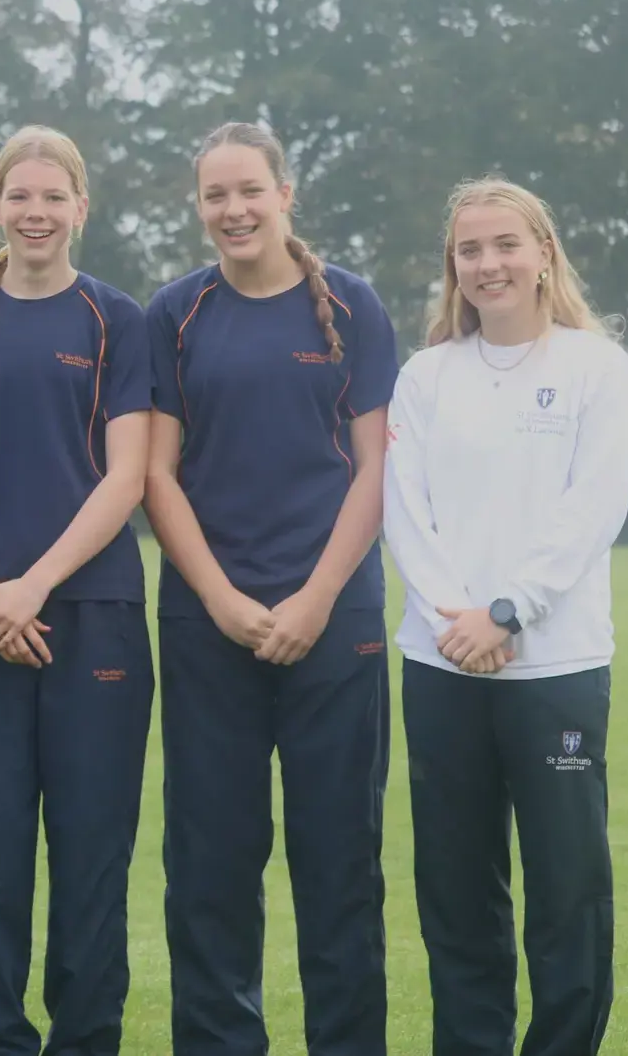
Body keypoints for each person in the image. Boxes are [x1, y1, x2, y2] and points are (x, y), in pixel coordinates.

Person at [143, 121, 398, 1055]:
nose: (233, 209)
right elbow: (157, 475)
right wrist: (219, 598)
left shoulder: (356, 306)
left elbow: (377, 468)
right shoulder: (174, 311)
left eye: (249, 189)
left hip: (336, 622)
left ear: (285, 194)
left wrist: (318, 598)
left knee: (339, 865)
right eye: (215, 195)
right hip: (210, 625)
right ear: (199, 206)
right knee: (209, 868)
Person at [383, 178, 628, 1056]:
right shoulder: (425, 376)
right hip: (441, 667)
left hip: (555, 672)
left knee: (568, 891)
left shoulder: (594, 367)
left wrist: (507, 612)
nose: (487, 264)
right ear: (452, 266)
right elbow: (404, 512)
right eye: (469, 250)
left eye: (504, 246)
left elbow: (591, 511)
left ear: (543, 255)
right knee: (457, 891)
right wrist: (457, 619)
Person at [0, 125, 155, 1055]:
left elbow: (127, 477)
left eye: (53, 198)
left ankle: (86, 1038)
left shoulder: (116, 319)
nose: (35, 213)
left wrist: (36, 587)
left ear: (80, 209)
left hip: (94, 617)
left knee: (92, 852)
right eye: (19, 197)